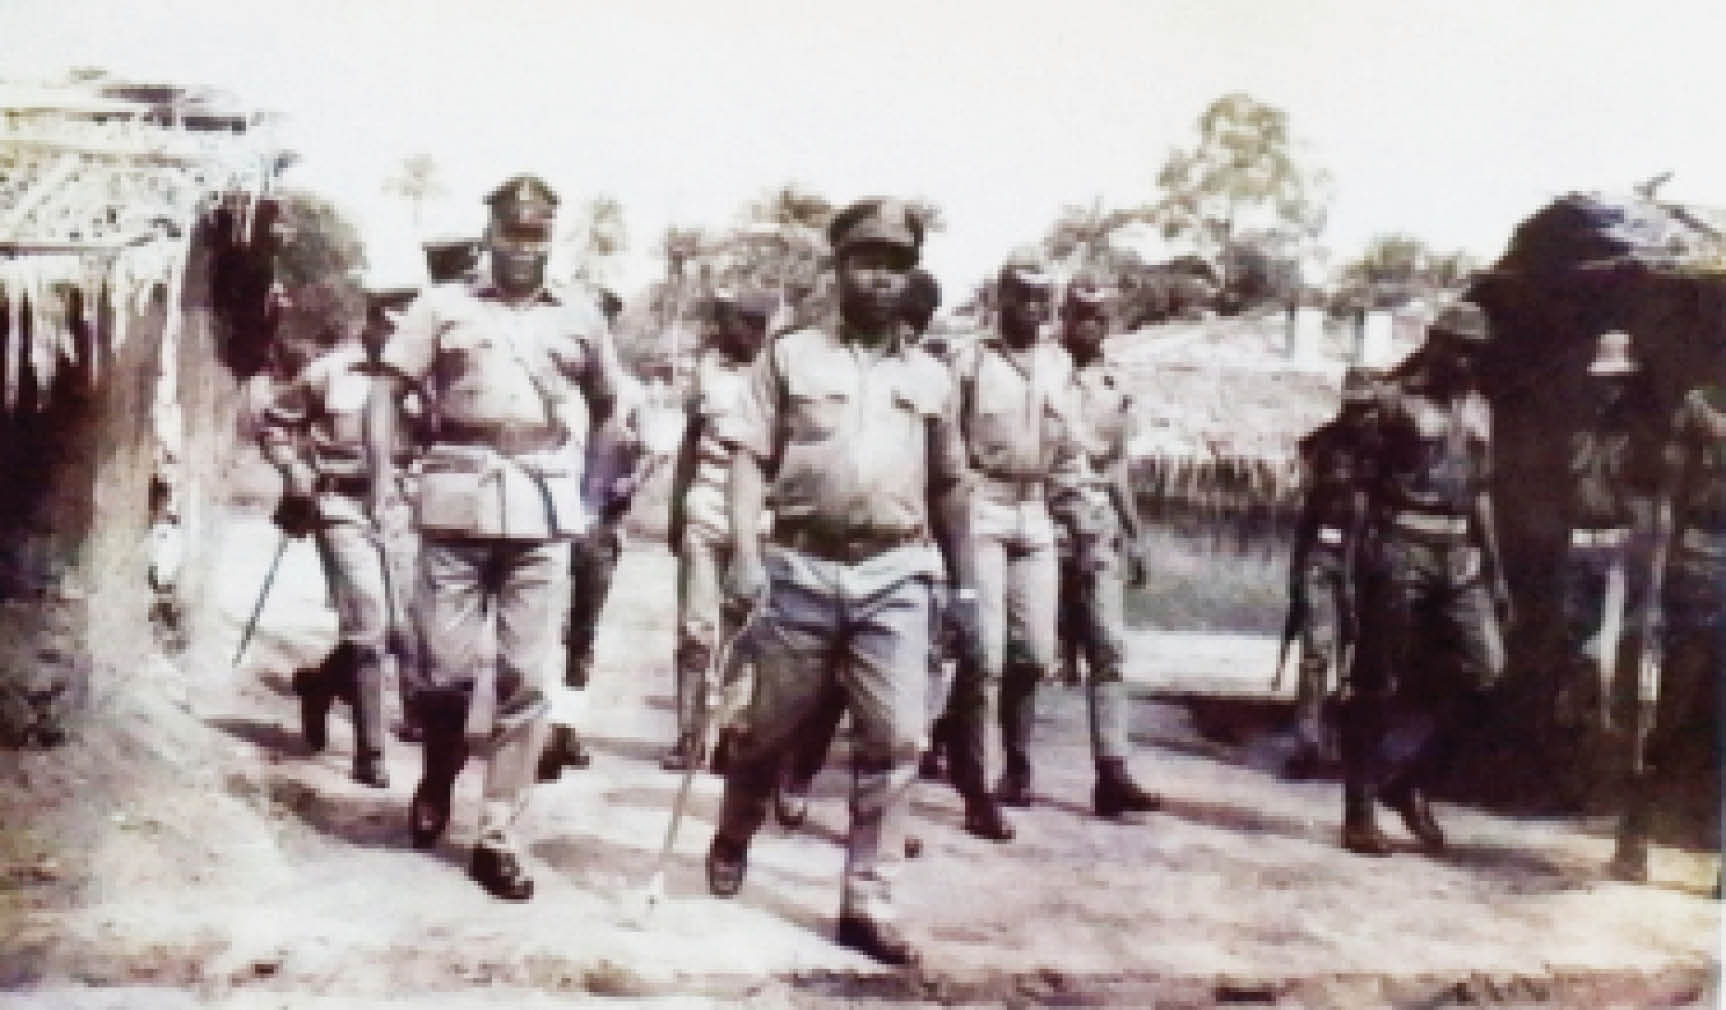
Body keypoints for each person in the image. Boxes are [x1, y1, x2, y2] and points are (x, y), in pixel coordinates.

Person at [704, 198, 973, 965]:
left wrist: (964, 589)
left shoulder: (933, 375)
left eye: (895, 264)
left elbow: (952, 484)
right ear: (840, 268)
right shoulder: (791, 357)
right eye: (866, 262)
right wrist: (746, 557)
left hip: (895, 571)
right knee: (765, 733)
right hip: (800, 566)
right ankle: (736, 824)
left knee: (896, 738)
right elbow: (749, 454)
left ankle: (867, 902)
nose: (881, 278)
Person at [368, 174, 623, 900]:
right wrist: (385, 474)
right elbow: (386, 391)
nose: (523, 247)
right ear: (490, 235)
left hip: (542, 507)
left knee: (527, 680)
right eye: (512, 233)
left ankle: (498, 836)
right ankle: (441, 774)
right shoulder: (441, 306)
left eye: (537, 234)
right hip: (457, 495)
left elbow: (609, 408)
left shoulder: (580, 315)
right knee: (442, 673)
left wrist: (595, 495)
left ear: (552, 237)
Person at [1342, 300, 1511, 857]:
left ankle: (1410, 780)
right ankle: (1359, 811)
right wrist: (1355, 564)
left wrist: (1497, 569)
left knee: (1487, 671)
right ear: (1434, 344)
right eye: (1456, 346)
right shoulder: (1394, 404)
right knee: (1378, 680)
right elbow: (1362, 488)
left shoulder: (1482, 410)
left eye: (1476, 351)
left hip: (1459, 552)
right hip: (1400, 546)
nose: (1465, 359)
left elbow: (1483, 492)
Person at [927, 248, 1074, 842]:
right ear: (1002, 298)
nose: (1035, 309)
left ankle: (1003, 758)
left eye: (1044, 299)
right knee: (981, 656)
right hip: (982, 503)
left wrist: (1071, 511)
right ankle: (979, 787)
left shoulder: (1059, 364)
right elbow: (948, 454)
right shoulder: (968, 362)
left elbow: (1071, 448)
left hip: (1035, 508)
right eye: (1024, 296)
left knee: (1036, 653)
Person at [260, 279, 413, 789]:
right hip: (339, 505)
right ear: (369, 322)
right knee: (369, 623)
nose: (395, 340)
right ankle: (372, 753)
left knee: (397, 630)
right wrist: (296, 474)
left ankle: (320, 685)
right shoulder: (330, 372)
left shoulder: (421, 378)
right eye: (388, 328)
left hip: (399, 511)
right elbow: (275, 424)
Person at [1046, 273, 1162, 819]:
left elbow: (1116, 466)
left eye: (1100, 316)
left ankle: (1111, 771)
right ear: (1063, 317)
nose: (1090, 325)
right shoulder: (1039, 370)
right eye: (1081, 314)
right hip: (1039, 516)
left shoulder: (1117, 383)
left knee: (1108, 649)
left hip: (1096, 524)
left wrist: (1134, 534)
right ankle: (994, 757)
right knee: (1018, 654)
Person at [1608, 374, 1724, 886]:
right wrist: (1655, 590)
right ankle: (1633, 834)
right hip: (1700, 567)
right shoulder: (1700, 406)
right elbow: (1666, 505)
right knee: (1671, 711)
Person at [539, 288, 652, 779]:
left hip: (598, 526)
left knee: (582, 633)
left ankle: (565, 729)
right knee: (539, 630)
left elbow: (652, 450)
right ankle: (533, 731)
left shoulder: (629, 392)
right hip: (544, 526)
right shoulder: (549, 385)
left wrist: (633, 480)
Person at [662, 290, 775, 772]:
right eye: (735, 322)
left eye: (752, 322)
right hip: (706, 500)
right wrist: (675, 509)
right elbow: (689, 443)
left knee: (749, 629)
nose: (742, 331)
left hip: (760, 510)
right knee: (696, 629)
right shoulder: (707, 370)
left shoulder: (778, 373)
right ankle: (689, 735)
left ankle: (731, 732)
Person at [1281, 366, 1380, 779]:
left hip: (1370, 560)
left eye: (1367, 407)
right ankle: (1309, 744)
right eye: (1354, 406)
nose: (1360, 415)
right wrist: (1297, 571)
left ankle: (1351, 747)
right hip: (1324, 553)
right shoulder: (1320, 447)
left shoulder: (1389, 451)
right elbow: (1306, 512)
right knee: (1317, 653)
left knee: (1361, 657)